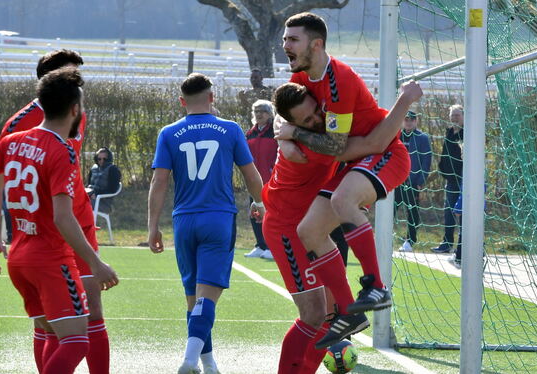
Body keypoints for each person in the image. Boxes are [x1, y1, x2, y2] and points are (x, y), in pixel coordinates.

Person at [0, 67, 119, 374]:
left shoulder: (13, 142)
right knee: (76, 343)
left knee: (50, 332)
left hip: (20, 258)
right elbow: (62, 217)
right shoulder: (62, 151)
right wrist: (96, 263)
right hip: (50, 260)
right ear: (75, 110)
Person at [274, 12, 421, 349]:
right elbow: (285, 116)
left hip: (384, 157)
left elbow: (338, 146)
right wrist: (283, 137)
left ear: (317, 44)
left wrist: (293, 133)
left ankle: (376, 286)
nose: (285, 46)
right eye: (284, 39)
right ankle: (348, 311)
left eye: (292, 39)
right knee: (309, 230)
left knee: (342, 202)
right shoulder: (305, 81)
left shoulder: (337, 79)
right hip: (355, 163)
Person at [0, 49, 113, 374]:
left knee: (92, 311)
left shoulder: (75, 112)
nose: (78, 86)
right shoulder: (18, 125)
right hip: (45, 235)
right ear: (49, 81)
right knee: (51, 324)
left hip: (78, 221)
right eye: (71, 76)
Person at [147, 73, 265, 374]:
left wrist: (152, 226)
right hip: (218, 218)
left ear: (181, 101)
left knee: (194, 299)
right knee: (207, 298)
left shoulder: (169, 133)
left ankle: (208, 363)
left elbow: (159, 182)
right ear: (212, 98)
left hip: (184, 220)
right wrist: (260, 202)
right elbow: (250, 174)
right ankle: (188, 360)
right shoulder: (229, 129)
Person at [243, 99, 277, 260]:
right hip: (254, 181)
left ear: (270, 114)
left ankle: (272, 247)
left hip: (272, 181)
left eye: (262, 111)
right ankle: (260, 245)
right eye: (256, 112)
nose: (259, 115)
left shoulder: (275, 132)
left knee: (271, 214)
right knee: (255, 212)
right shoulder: (251, 133)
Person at [395, 110, 432, 252]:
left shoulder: (422, 138)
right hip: (395, 180)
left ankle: (410, 241)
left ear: (416, 121)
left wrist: (421, 180)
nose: (408, 122)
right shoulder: (397, 135)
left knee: (413, 211)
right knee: (391, 208)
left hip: (412, 181)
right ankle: (384, 237)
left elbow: (426, 160)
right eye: (406, 119)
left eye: (411, 119)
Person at [432, 104, 464, 254]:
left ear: (463, 116)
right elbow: (445, 154)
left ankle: (463, 247)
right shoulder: (449, 133)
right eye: (452, 115)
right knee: (449, 211)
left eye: (457, 115)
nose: (454, 118)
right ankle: (447, 243)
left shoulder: (467, 133)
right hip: (450, 180)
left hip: (464, 180)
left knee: (463, 212)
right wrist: (442, 169)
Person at [86, 147, 122, 213]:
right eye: (99, 159)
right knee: (73, 199)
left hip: (104, 203)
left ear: (109, 158)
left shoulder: (113, 170)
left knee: (79, 203)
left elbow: (112, 190)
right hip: (90, 197)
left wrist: (96, 194)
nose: (102, 161)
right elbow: (88, 185)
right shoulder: (93, 168)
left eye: (104, 159)